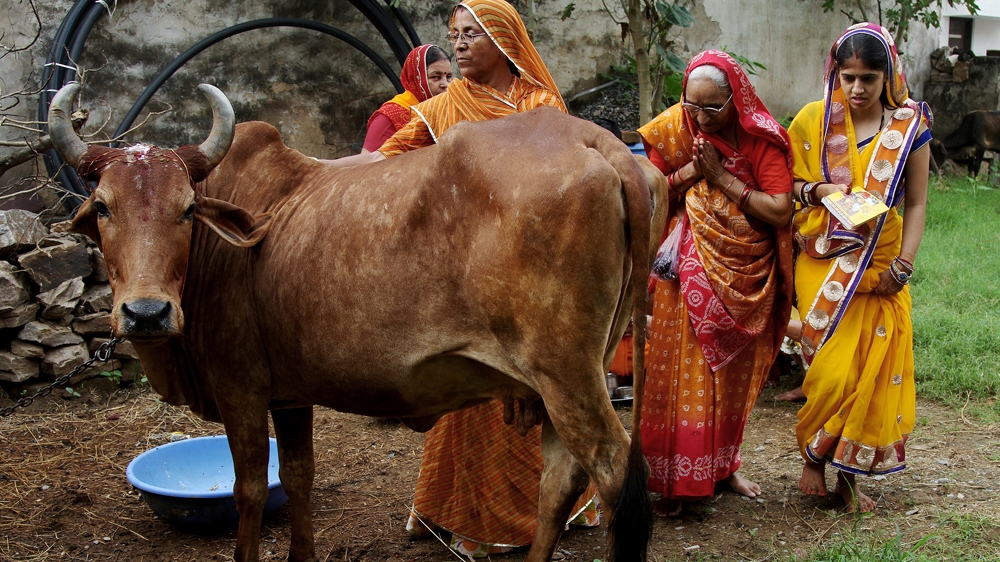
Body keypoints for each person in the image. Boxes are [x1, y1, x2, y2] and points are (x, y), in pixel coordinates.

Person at [336, 1, 597, 556]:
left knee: (547, 385)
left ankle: (553, 510)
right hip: (471, 275)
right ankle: (477, 521)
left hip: (536, 268)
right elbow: (382, 158)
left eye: (471, 33)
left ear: (503, 40)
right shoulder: (446, 106)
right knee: (473, 395)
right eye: (454, 33)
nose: (457, 43)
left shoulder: (542, 106)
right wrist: (316, 173)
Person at [637, 50, 794, 517]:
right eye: (692, 105)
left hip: (746, 278)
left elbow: (780, 210)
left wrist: (722, 178)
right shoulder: (674, 129)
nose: (701, 118)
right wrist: (692, 172)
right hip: (683, 274)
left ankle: (722, 468)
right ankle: (676, 480)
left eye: (713, 107)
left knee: (731, 379)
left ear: (736, 101)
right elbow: (649, 191)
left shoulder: (761, 138)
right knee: (681, 372)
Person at [790, 23, 931, 513]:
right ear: (836, 74)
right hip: (825, 261)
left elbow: (917, 203)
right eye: (847, 77)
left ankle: (849, 480)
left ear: (887, 76)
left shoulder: (908, 128)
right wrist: (822, 191)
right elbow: (789, 185)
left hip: (883, 263)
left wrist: (904, 265)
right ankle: (814, 455)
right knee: (831, 373)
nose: (856, 88)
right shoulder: (813, 121)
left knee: (868, 375)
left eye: (868, 78)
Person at [360, 45, 452, 153]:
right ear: (416, 78)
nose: (445, 84)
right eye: (435, 77)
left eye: (448, 77)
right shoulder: (389, 117)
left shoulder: (449, 113)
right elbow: (369, 162)